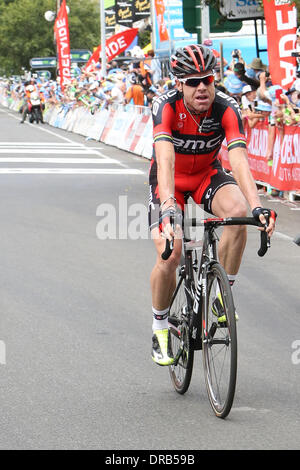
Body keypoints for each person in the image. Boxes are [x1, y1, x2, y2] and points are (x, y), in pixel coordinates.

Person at [148, 44, 276, 366]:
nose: (202, 87)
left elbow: (239, 160)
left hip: (206, 174)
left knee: (238, 213)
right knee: (171, 252)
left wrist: (258, 205)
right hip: (171, 181)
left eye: (207, 79)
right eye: (192, 82)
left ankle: (220, 295)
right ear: (179, 83)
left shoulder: (226, 108)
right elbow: (164, 160)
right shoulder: (165, 106)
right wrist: (166, 208)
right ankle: (160, 325)